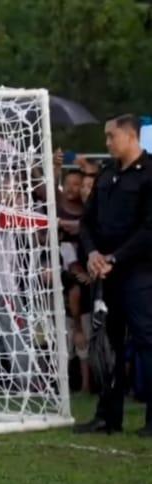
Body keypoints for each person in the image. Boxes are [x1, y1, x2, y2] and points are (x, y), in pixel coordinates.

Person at [76, 114, 152, 436]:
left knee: (147, 343)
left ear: (131, 136)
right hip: (104, 274)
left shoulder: (150, 174)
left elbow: (150, 229)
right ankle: (108, 416)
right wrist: (93, 254)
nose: (107, 144)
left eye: (111, 137)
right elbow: (86, 222)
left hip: (139, 273)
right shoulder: (107, 174)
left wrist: (115, 257)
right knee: (106, 344)